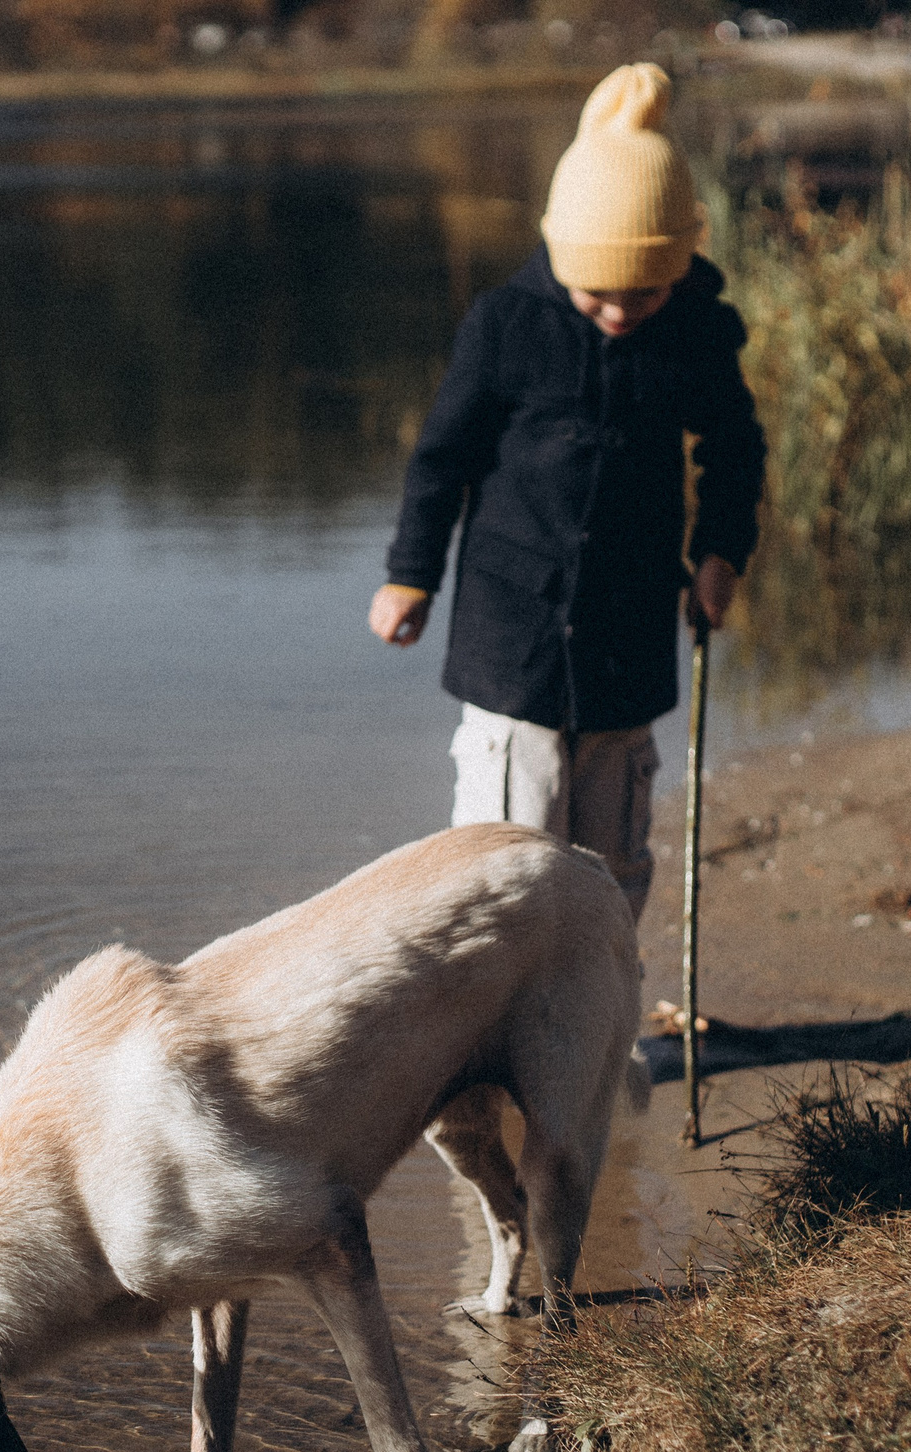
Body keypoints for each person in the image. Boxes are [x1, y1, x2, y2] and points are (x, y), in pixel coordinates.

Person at [368, 62, 765, 923]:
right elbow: (442, 460)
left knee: (611, 857)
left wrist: (719, 555)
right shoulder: (507, 325)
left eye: (646, 290)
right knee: (505, 859)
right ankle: (492, 1040)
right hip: (513, 641)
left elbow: (735, 447)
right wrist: (411, 577)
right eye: (599, 292)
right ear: (562, 254)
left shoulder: (693, 331)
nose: (621, 312)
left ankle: (603, 1030)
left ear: (679, 265)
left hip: (626, 637)